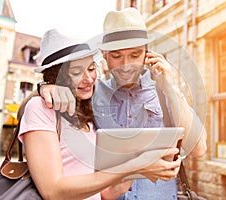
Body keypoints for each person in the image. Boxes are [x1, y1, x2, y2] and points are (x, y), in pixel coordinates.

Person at [38, 8, 207, 200]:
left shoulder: (165, 92)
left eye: (135, 55)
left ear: (146, 53)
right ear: (104, 54)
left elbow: (199, 149)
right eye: (117, 56)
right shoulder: (92, 94)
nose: (126, 65)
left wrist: (171, 88)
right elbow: (44, 114)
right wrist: (45, 87)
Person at [18, 29, 182, 200]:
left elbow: (101, 194)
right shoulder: (40, 107)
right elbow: (53, 191)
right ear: (55, 75)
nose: (89, 78)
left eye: (91, 68)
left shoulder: (87, 116)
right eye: (76, 72)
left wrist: (144, 165)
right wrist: (135, 166)